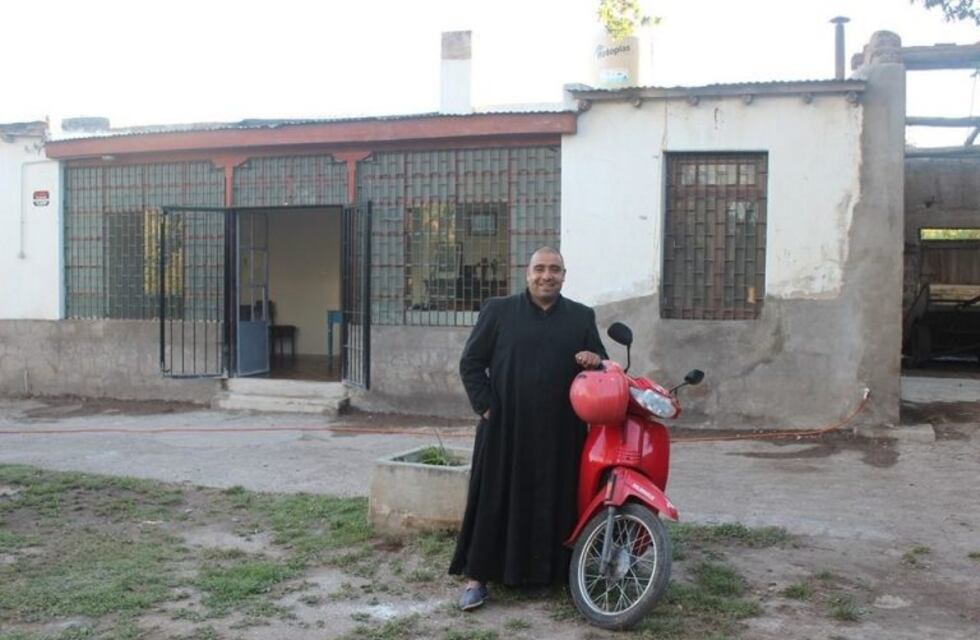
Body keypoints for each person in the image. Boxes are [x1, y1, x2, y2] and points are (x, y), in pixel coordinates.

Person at [448, 246, 607, 611]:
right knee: (493, 499)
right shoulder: (499, 311)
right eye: (540, 269)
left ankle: (558, 573)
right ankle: (478, 577)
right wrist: (486, 406)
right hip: (506, 426)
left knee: (559, 498)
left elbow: (602, 365)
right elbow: (471, 363)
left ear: (564, 276)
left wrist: (596, 360)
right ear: (527, 273)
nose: (546, 276)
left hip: (562, 431)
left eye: (554, 270)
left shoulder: (581, 316)